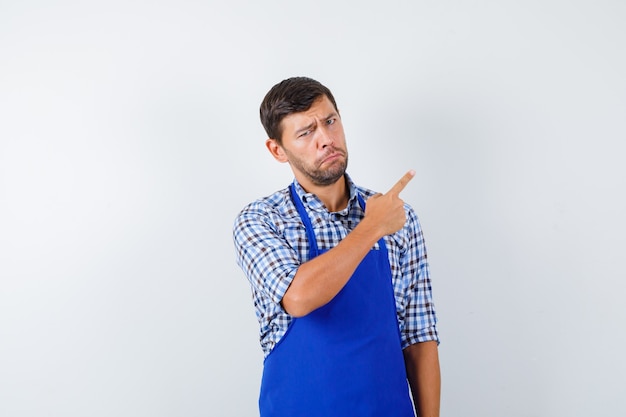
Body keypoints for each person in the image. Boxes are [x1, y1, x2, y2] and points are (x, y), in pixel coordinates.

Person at [233, 76, 440, 417]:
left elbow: (419, 337)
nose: (326, 140)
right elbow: (299, 297)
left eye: (330, 121)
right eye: (306, 132)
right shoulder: (261, 220)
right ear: (277, 150)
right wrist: (372, 227)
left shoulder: (400, 218)